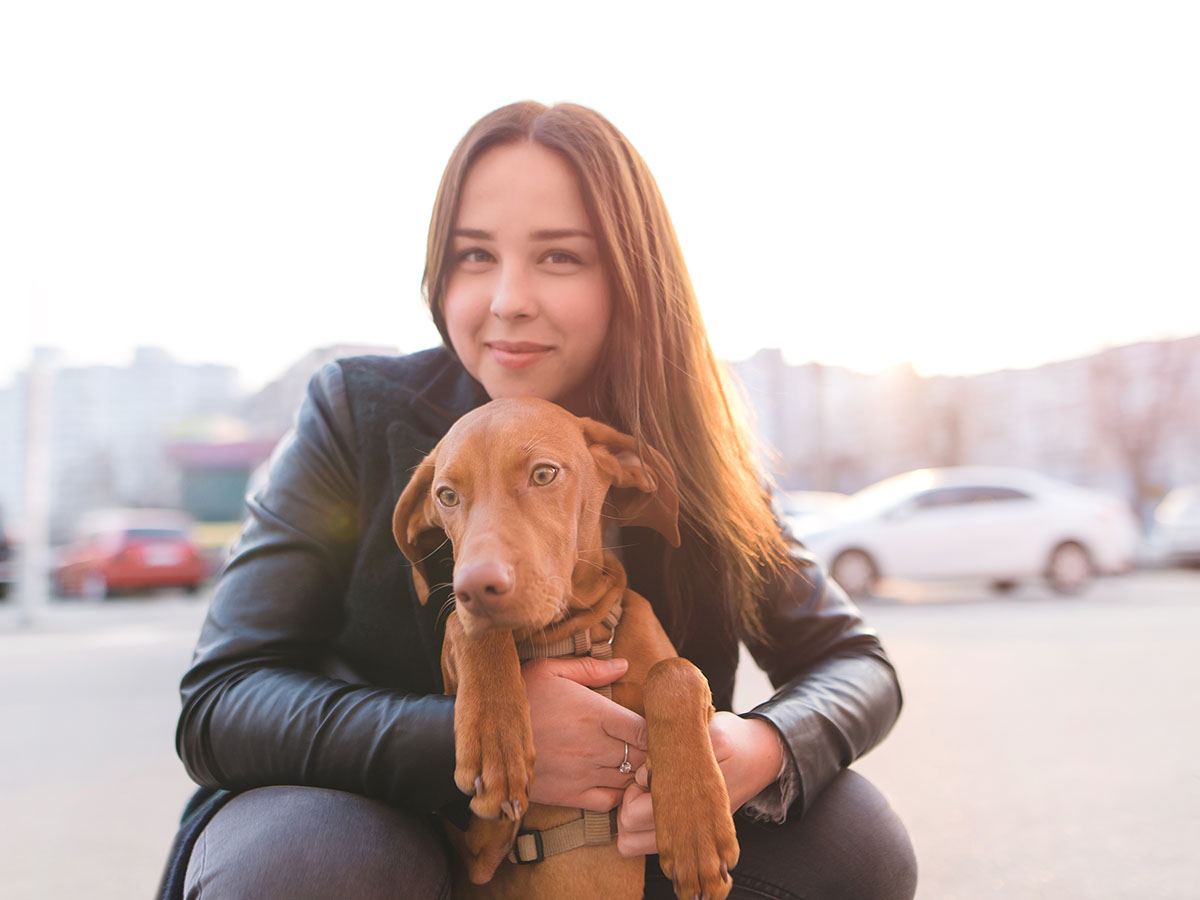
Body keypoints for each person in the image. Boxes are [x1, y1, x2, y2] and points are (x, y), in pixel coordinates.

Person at [159, 101, 917, 900]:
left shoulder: (689, 447)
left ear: (632, 274)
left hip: (618, 849)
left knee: (853, 837)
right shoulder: (355, 412)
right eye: (474, 256)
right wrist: (476, 734)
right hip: (387, 835)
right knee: (308, 857)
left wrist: (760, 746)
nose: (508, 299)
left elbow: (854, 665)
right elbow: (221, 703)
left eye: (559, 258)